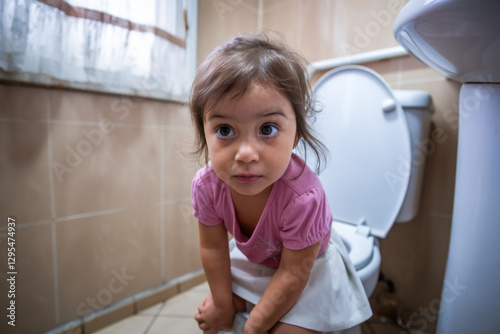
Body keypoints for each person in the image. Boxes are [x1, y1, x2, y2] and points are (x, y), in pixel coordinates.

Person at [190, 32, 372, 334]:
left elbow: (292, 273)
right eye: (224, 130)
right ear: (204, 133)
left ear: (297, 134)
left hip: (309, 268)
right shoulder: (207, 186)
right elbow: (213, 249)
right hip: (265, 260)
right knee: (214, 310)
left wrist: (255, 326)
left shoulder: (304, 198)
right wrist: (222, 306)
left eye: (268, 128)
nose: (246, 154)